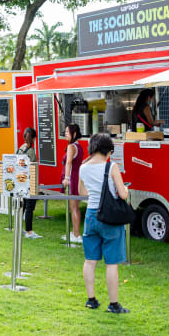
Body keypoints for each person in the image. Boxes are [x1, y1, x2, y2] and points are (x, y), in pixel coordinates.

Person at [78, 132, 131, 314]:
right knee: (111, 263)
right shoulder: (112, 167)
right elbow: (122, 194)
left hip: (91, 215)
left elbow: (82, 192)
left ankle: (91, 300)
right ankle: (113, 304)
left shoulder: (83, 168)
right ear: (108, 151)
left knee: (90, 260)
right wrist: (126, 190)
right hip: (109, 217)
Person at [61, 123, 85, 243]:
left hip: (72, 179)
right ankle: (75, 232)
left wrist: (66, 178)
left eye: (67, 132)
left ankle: (76, 235)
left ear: (74, 134)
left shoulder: (71, 147)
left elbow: (69, 162)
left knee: (73, 207)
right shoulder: (79, 146)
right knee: (76, 207)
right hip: (77, 178)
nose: (65, 134)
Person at [18, 127, 41, 239]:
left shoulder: (21, 148)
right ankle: (29, 231)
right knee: (29, 207)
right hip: (30, 181)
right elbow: (32, 168)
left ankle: (19, 227)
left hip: (21, 180)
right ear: (34, 138)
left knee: (23, 206)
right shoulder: (31, 151)